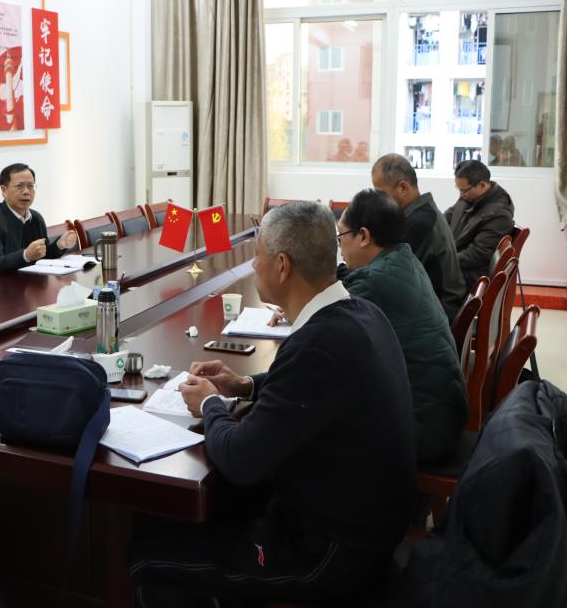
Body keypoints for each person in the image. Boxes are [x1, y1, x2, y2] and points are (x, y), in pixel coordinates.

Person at [130, 201, 415, 607]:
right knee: (211, 515)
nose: (253, 265)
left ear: (282, 266)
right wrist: (244, 385)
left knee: (149, 554)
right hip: (367, 529)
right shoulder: (362, 313)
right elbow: (309, 389)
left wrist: (210, 404)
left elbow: (240, 460)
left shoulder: (317, 346)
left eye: (257, 256)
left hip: (326, 553)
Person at [337, 189, 467, 461]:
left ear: (364, 236)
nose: (339, 247)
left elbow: (323, 330)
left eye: (341, 236)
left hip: (421, 428)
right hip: (439, 413)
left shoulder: (374, 282)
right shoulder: (403, 258)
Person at [372, 153, 466, 320]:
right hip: (437, 303)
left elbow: (387, 276)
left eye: (381, 193)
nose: (379, 201)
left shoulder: (420, 223)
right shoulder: (422, 213)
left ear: (403, 187)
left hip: (440, 312)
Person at [0, 163, 79, 276]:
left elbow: (43, 255)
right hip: (1, 284)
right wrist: (25, 255)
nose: (26, 192)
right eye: (19, 186)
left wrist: (59, 245)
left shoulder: (36, 218)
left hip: (31, 282)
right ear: (4, 190)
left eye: (30, 186)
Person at [445, 160, 515, 289]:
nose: (461, 195)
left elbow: (477, 254)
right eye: (459, 189)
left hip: (471, 274)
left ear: (482, 185)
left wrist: (443, 260)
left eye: (464, 190)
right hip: (457, 261)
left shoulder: (499, 214)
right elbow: (447, 217)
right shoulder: (470, 196)